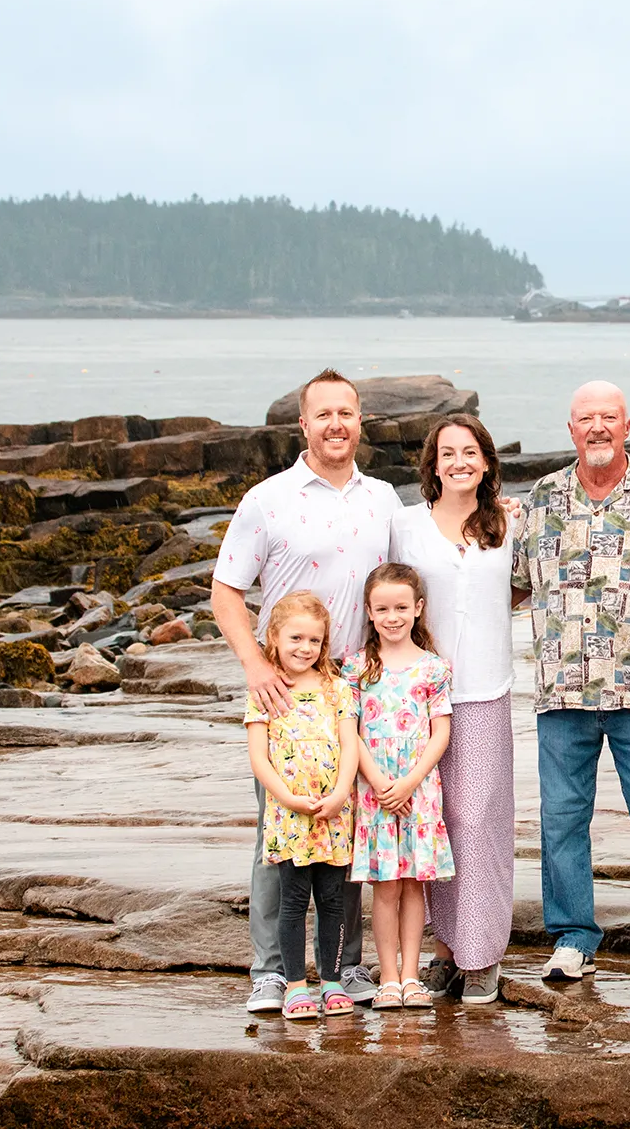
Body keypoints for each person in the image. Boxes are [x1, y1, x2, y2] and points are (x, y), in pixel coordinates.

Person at [214, 367, 400, 1013]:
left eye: (346, 413)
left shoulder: (383, 499)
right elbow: (225, 592)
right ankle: (269, 971)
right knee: (280, 828)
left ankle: (343, 969)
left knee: (344, 834)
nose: (336, 425)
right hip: (286, 690)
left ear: (360, 421)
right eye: (323, 415)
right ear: (303, 424)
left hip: (357, 691)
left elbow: (413, 575)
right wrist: (254, 665)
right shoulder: (267, 499)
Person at [511, 381, 630, 983]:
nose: (597, 427)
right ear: (570, 430)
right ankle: (572, 936)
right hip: (561, 690)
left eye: (608, 417)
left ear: (627, 424)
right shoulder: (541, 498)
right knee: (562, 817)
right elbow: (511, 584)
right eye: (585, 418)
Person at [390, 416, 516, 1006]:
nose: (459, 461)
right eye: (448, 453)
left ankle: (483, 954)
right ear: (433, 464)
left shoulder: (508, 525)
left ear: (487, 462)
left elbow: (524, 588)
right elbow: (386, 596)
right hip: (417, 696)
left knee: (476, 823)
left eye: (471, 452)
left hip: (485, 691)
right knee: (428, 824)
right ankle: (444, 950)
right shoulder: (405, 526)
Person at [244, 591, 360, 1021]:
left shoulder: (337, 689)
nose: (304, 648)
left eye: (314, 641)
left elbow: (351, 745)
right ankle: (294, 986)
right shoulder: (266, 691)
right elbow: (259, 757)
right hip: (289, 814)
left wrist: (340, 793)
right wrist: (288, 798)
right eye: (295, 638)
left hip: (333, 813)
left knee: (333, 901)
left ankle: (331, 981)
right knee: (293, 902)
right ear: (273, 637)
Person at [345, 563, 455, 1010]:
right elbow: (347, 731)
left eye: (401, 608)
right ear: (369, 613)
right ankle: (387, 977)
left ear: (418, 609)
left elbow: (441, 732)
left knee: (414, 884)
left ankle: (412, 975)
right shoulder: (356, 668)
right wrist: (377, 780)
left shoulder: (433, 668)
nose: (392, 617)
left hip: (419, 787)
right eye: (383, 609)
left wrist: (409, 783)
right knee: (385, 886)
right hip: (375, 788)